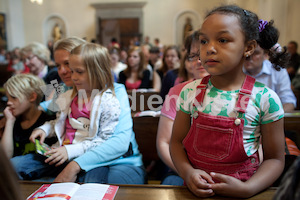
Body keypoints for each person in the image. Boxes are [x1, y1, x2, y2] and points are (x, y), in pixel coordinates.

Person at [170, 5, 287, 198]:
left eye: (223, 40)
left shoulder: (265, 98)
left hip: (245, 191)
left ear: (248, 47)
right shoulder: (189, 92)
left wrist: (248, 188)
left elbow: (275, 159)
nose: (210, 49)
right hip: (196, 192)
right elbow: (176, 142)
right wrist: (187, 172)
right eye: (204, 41)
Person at [40, 37, 145, 184]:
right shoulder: (66, 89)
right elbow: (46, 106)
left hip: (119, 161)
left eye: (67, 64)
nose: (63, 71)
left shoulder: (115, 92)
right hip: (75, 154)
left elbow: (119, 143)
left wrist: (75, 165)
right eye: (58, 65)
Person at [12, 43, 121, 181]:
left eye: (79, 72)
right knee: (13, 165)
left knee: (92, 184)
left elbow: (104, 142)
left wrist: (70, 151)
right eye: (72, 71)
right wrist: (44, 129)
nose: (73, 77)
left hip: (88, 159)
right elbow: (58, 122)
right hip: (58, 153)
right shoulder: (67, 96)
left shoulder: (108, 102)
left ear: (98, 71)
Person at [157, 30, 209, 186]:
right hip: (182, 167)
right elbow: (164, 143)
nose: (199, 61)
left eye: (203, 54)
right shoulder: (178, 92)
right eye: (193, 56)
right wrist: (187, 172)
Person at [1, 74, 56, 159]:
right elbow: (5, 158)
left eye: (14, 98)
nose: (8, 102)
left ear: (32, 97)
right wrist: (9, 122)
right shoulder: (11, 120)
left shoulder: (48, 124)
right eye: (8, 98)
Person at [244, 44, 296, 112]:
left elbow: (288, 101)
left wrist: (274, 118)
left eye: (255, 53)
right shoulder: (235, 70)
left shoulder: (277, 70)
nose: (249, 56)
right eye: (246, 52)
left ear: (265, 55)